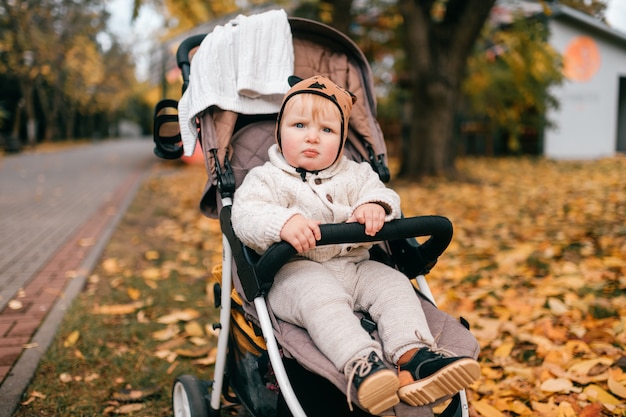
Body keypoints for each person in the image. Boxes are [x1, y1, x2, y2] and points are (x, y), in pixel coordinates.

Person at [231, 75, 480, 415]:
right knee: (321, 299)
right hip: (294, 272)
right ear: (280, 130)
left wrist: (375, 207)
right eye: (299, 125)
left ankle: (413, 359)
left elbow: (382, 193)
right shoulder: (266, 178)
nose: (311, 136)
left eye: (327, 130)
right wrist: (282, 223)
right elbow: (245, 214)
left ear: (342, 138)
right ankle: (363, 365)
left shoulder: (356, 173)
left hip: (355, 265)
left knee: (393, 285)